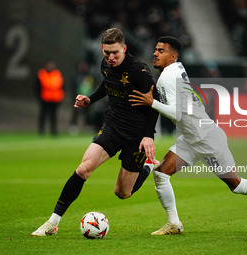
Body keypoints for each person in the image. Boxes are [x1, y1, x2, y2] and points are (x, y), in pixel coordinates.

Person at [129, 36, 247, 235]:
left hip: (205, 139)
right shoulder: (175, 70)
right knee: (161, 174)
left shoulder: (168, 76)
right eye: (156, 49)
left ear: (173, 55)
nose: (155, 53)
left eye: (161, 50)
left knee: (237, 185)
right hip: (191, 137)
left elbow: (176, 113)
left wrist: (152, 103)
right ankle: (174, 224)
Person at [32, 28, 159, 236]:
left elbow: (156, 102)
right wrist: (90, 99)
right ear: (102, 49)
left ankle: (147, 167)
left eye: (115, 53)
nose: (110, 57)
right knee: (83, 169)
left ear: (124, 48)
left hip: (136, 136)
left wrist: (148, 136)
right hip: (113, 126)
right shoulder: (105, 65)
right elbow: (106, 85)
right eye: (107, 52)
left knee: (122, 193)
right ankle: (53, 223)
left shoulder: (139, 71)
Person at [35, 60, 64, 135]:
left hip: (55, 99)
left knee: (53, 116)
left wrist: (61, 97)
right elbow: (36, 87)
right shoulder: (42, 74)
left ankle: (53, 131)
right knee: (43, 115)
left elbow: (62, 86)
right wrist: (39, 97)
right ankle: (41, 130)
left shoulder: (57, 74)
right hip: (45, 99)